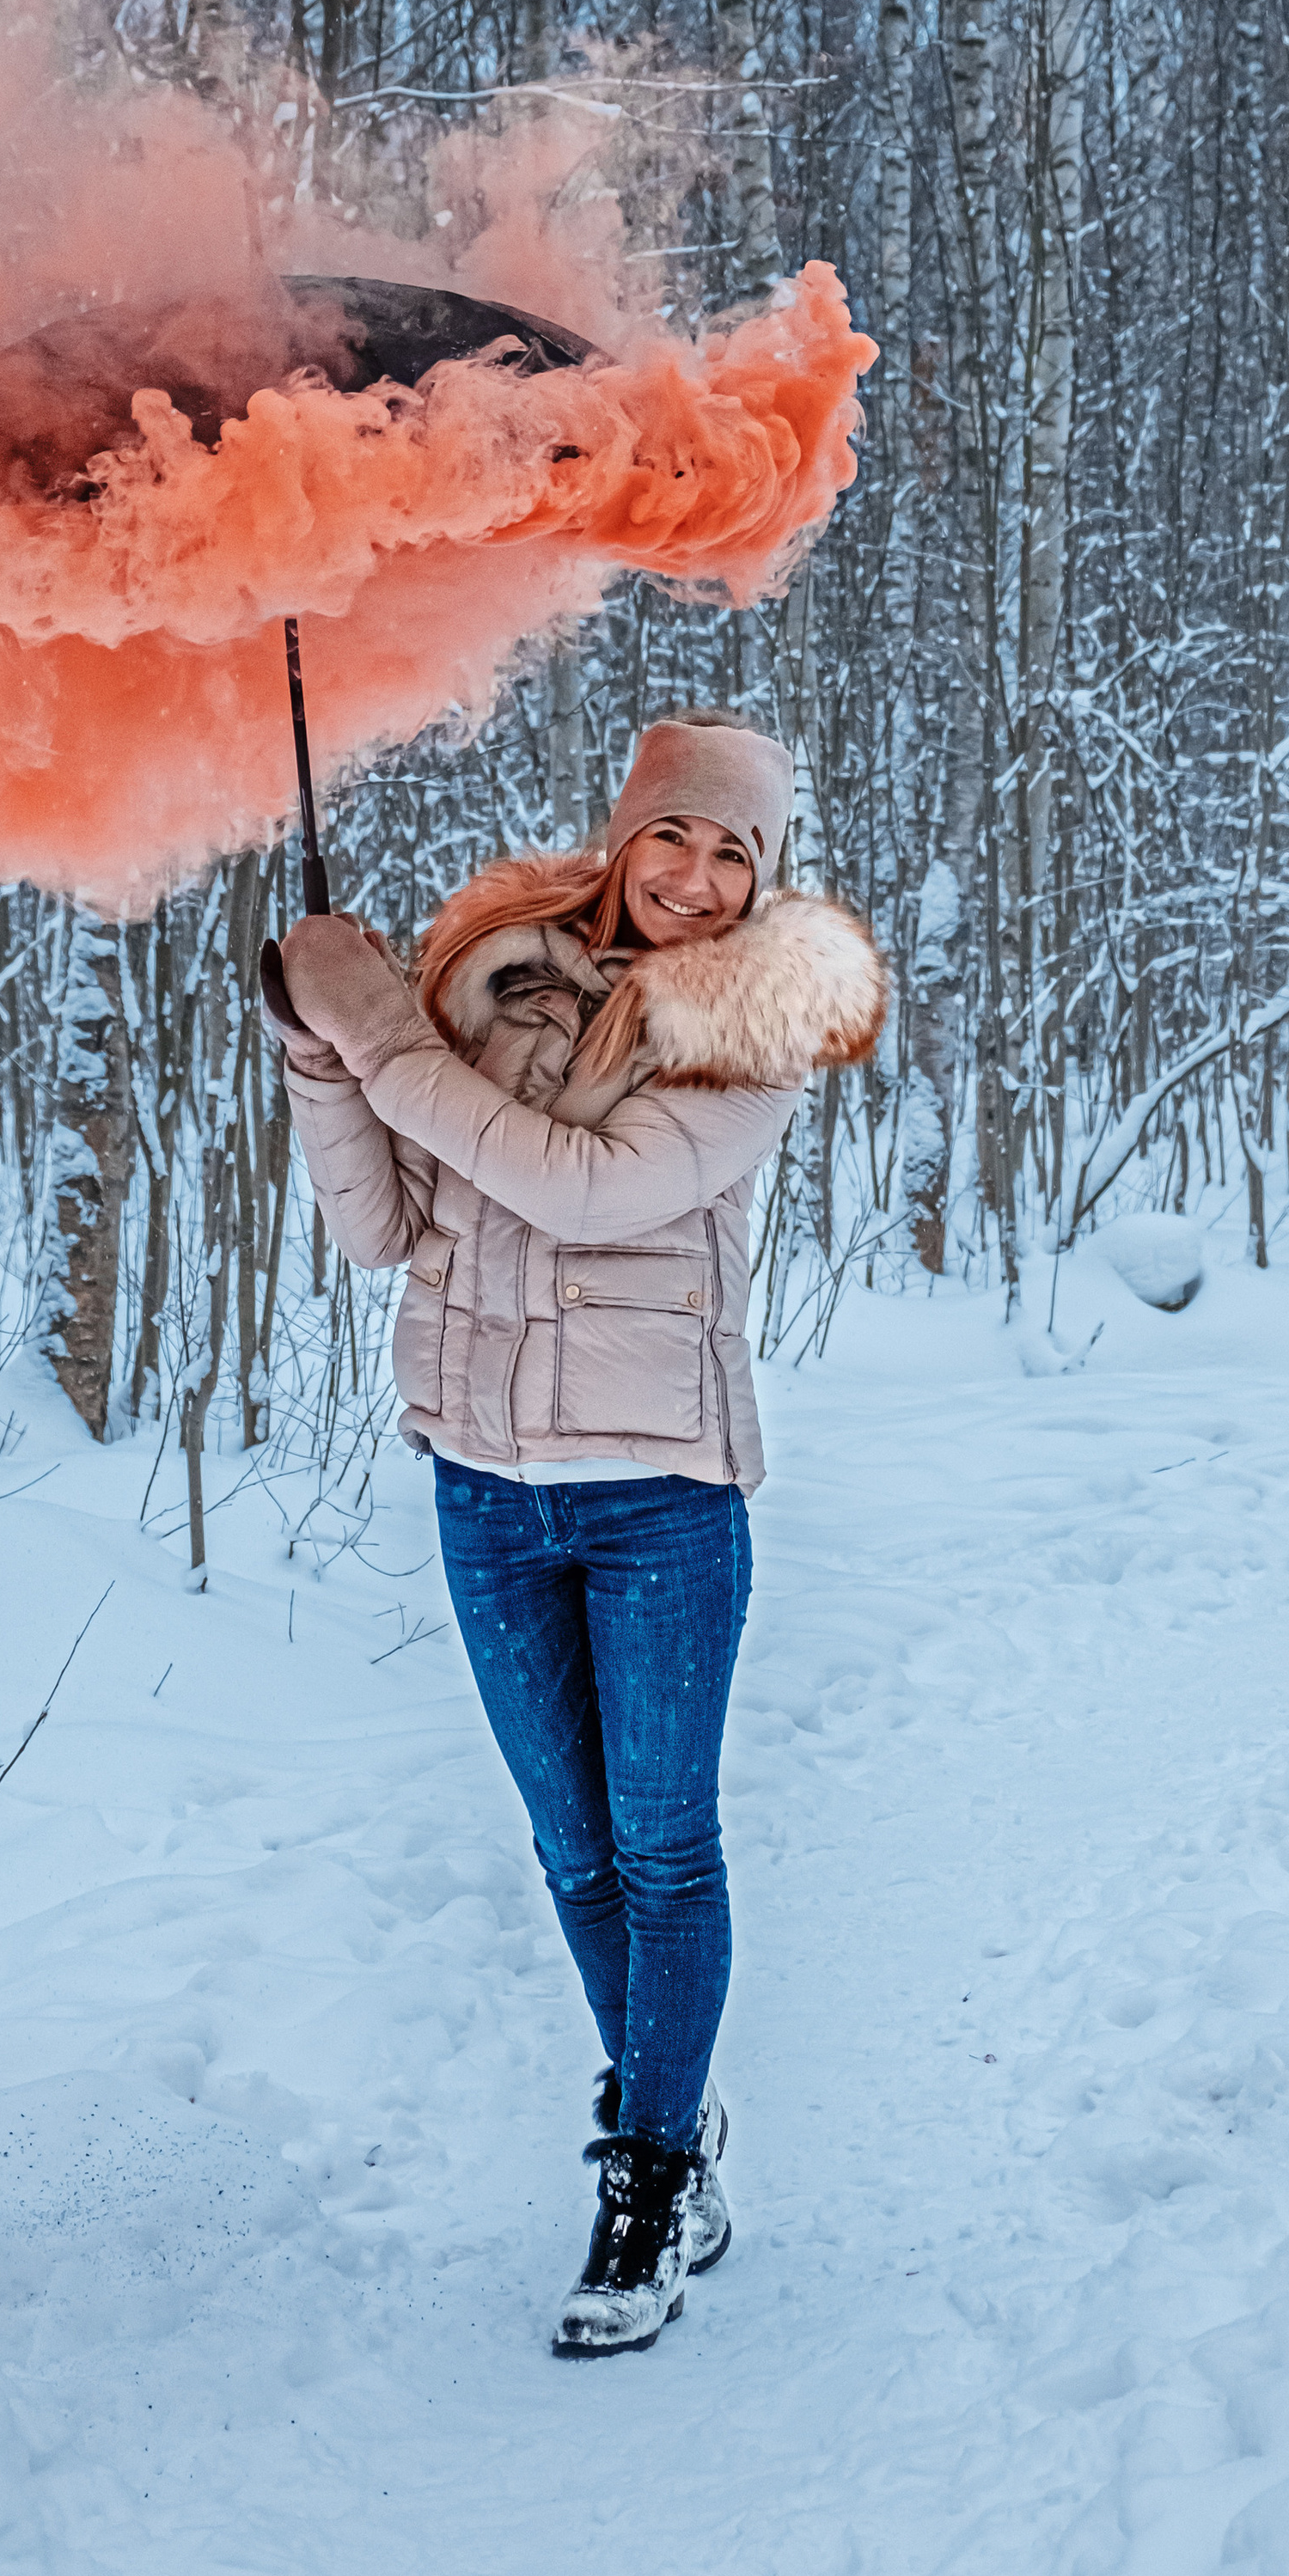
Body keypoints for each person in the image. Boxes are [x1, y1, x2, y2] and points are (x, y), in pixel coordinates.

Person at [266, 715, 887, 2359]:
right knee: (572, 1851)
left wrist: (382, 1035)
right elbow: (383, 1226)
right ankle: (671, 2115)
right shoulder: (493, 979)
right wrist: (322, 1059)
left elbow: (586, 1191)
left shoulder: (759, 1021)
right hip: (482, 1480)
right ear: (626, 837)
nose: (699, 875)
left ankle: (652, 2173)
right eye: (676, 836)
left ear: (769, 879)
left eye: (737, 851)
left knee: (665, 1848)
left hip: (660, 1496)